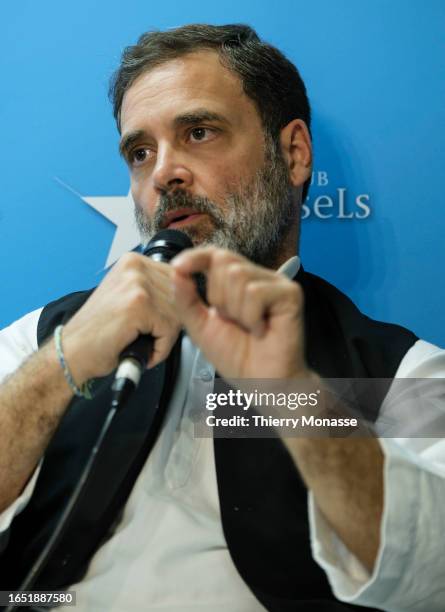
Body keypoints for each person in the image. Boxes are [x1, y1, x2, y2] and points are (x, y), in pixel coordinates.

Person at [0, 23, 444, 612]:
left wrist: (291, 394)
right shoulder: (43, 336)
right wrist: (63, 363)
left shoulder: (401, 371)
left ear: (293, 153)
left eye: (199, 132)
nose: (164, 173)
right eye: (140, 152)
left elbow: (432, 573)